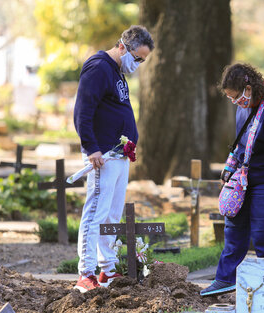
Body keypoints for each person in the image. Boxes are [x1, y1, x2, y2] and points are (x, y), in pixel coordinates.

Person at [200, 63, 264, 296]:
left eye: (237, 97)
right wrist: (232, 169)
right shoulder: (244, 108)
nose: (235, 103)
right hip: (248, 177)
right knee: (234, 229)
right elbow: (241, 144)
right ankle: (225, 279)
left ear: (249, 88)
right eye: (230, 99)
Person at [73, 25, 154, 293]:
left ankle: (107, 269)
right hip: (103, 155)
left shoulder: (117, 71)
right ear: (123, 46)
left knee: (112, 215)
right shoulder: (98, 67)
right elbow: (83, 111)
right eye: (138, 58)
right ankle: (85, 273)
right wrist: (91, 147)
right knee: (96, 212)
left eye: (142, 60)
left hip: (120, 155)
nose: (139, 64)